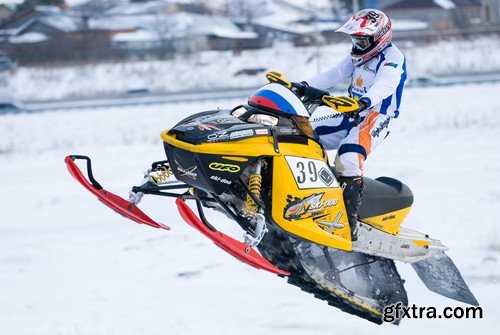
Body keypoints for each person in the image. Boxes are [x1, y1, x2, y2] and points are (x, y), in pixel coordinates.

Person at [297, 9, 407, 240]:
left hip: (375, 116)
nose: (357, 44)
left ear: (379, 38)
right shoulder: (357, 56)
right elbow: (334, 74)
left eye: (362, 39)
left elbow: (386, 84)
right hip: (350, 112)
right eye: (355, 39)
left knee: (348, 157)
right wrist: (302, 87)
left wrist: (365, 101)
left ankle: (348, 224)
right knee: (303, 134)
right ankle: (311, 197)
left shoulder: (392, 58)